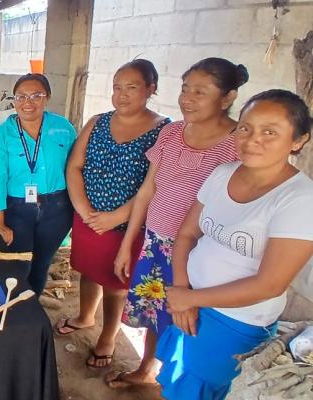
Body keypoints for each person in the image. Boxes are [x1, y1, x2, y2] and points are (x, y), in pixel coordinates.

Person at [158, 89, 313, 399]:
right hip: (187, 298)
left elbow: (269, 284)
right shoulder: (222, 173)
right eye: (245, 127)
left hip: (235, 320)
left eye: (270, 131)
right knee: (178, 375)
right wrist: (182, 290)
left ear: (298, 140)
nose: (253, 138)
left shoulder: (299, 199)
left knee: (201, 388)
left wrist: (192, 299)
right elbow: (187, 234)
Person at [108, 58, 248, 388]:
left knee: (192, 320)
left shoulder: (238, 146)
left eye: (200, 92)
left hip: (202, 253)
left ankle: (180, 383)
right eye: (185, 89)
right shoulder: (171, 133)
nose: (187, 98)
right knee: (157, 313)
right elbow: (147, 191)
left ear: (226, 98)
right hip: (156, 243)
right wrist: (128, 245)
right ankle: (146, 370)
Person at [59, 60, 171, 369]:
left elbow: (157, 184)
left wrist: (117, 217)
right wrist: (84, 210)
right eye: (116, 87)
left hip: (128, 225)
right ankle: (84, 316)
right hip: (88, 217)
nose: (121, 95)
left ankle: (108, 337)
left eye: (131, 87)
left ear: (151, 89)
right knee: (87, 270)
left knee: (115, 283)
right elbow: (74, 167)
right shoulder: (97, 122)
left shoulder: (165, 131)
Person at [0, 73, 76, 295]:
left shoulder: (63, 128)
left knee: (41, 263)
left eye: (36, 95)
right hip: (17, 209)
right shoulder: (1, 136)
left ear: (47, 98)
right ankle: (15, 312)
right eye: (21, 96)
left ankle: (32, 308)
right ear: (14, 100)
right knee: (17, 264)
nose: (28, 102)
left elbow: (75, 169)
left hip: (57, 208)